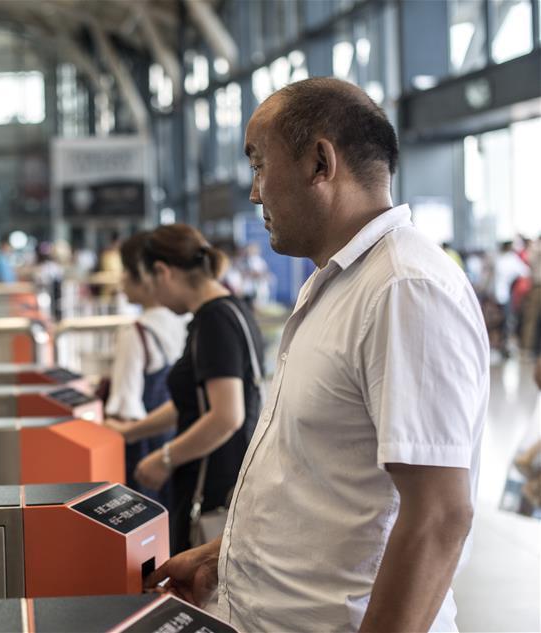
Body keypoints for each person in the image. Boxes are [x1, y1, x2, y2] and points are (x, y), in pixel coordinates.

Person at [147, 77, 489, 632]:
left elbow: (439, 515)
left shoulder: (404, 289)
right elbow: (320, 475)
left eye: (259, 164)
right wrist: (224, 558)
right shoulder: (335, 283)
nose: (255, 192)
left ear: (319, 163)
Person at [106, 224, 265, 555]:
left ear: (162, 272)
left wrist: (165, 458)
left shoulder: (214, 320)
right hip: (221, 481)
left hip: (211, 489)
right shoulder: (227, 310)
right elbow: (193, 400)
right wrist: (133, 431)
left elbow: (226, 416)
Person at [104, 232, 187, 503]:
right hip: (181, 448)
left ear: (145, 274)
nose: (121, 280)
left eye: (125, 270)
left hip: (145, 456)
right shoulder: (188, 320)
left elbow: (124, 407)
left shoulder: (136, 332)